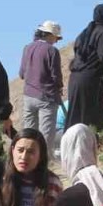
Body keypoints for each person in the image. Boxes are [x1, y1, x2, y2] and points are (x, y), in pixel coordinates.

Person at [67, 4, 103, 130]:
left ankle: (95, 144)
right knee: (87, 118)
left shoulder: (85, 33)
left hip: (76, 79)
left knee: (79, 117)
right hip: (89, 81)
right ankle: (87, 144)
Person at [0, 128, 64, 206]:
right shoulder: (1, 180)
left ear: (41, 155)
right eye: (20, 150)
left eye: (31, 152)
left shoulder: (52, 183)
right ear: (12, 150)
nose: (24, 157)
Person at [20, 21, 65, 154]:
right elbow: (56, 76)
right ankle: (43, 165)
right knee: (46, 136)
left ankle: (27, 162)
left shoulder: (27, 48)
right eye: (56, 38)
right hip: (46, 97)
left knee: (28, 134)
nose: (56, 41)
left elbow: (22, 74)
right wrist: (59, 87)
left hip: (28, 95)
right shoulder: (52, 51)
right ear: (49, 35)